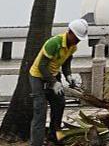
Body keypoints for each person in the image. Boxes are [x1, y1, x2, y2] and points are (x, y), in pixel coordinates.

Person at [29, 18, 88, 146]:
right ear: (70, 32)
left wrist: (68, 76)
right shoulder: (53, 43)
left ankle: (53, 137)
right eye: (76, 37)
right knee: (40, 110)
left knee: (59, 104)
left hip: (54, 76)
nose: (77, 41)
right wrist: (53, 83)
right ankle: (36, 143)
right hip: (38, 77)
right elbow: (42, 67)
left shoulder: (73, 47)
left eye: (79, 39)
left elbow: (66, 62)